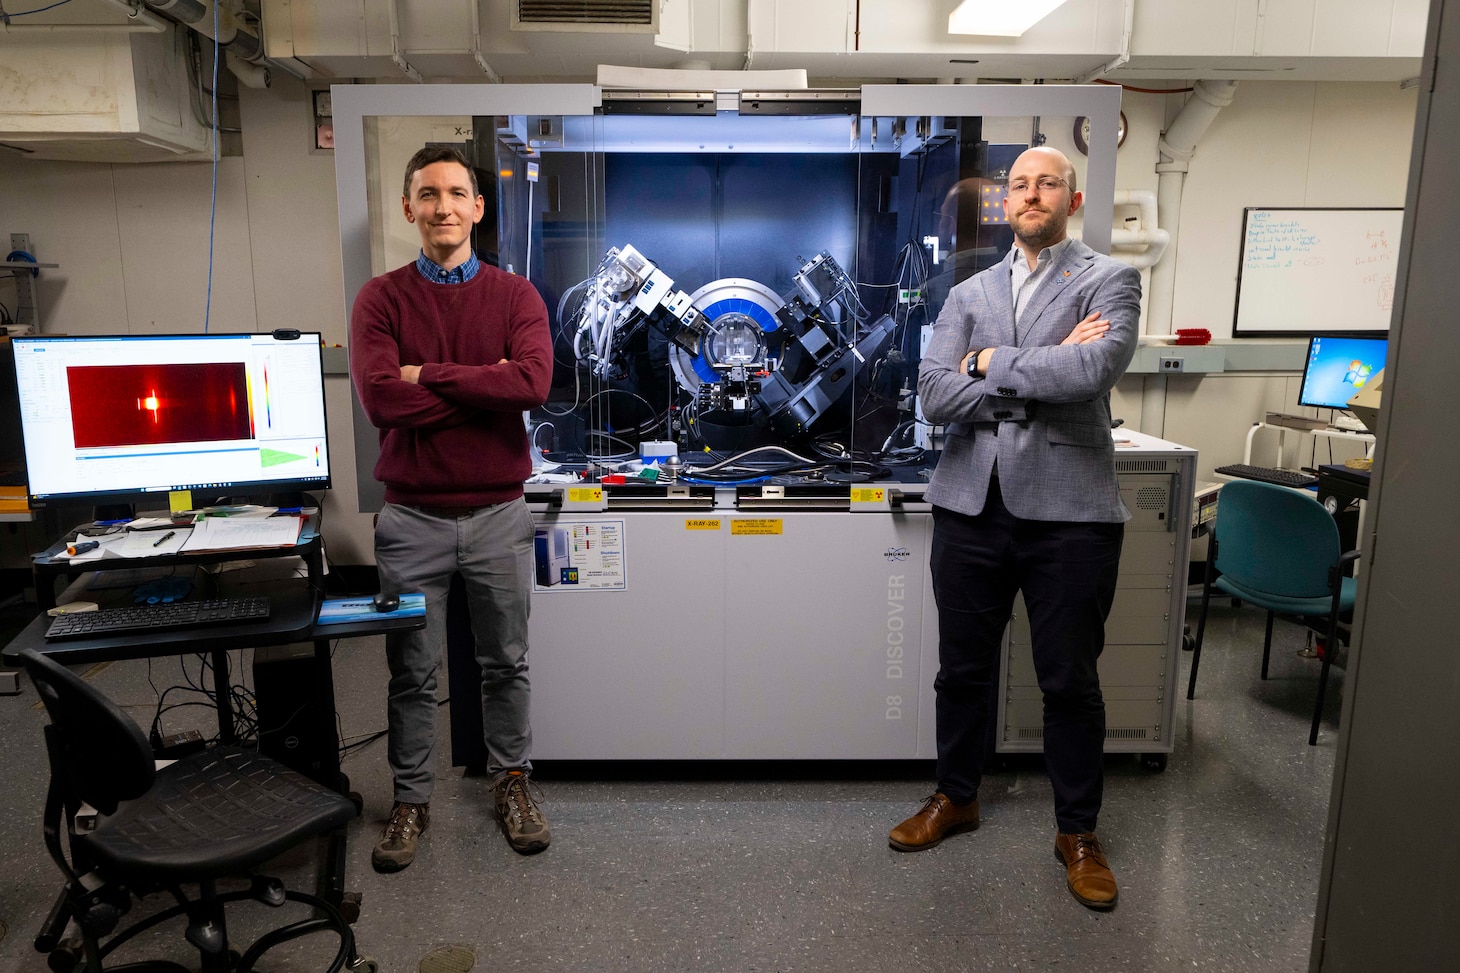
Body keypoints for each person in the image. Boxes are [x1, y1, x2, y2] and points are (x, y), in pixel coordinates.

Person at [891, 146, 1140, 910]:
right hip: (971, 506)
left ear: (1072, 197)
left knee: (1069, 679)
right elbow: (933, 394)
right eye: (1020, 185)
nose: (1031, 194)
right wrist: (1033, 368)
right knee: (961, 670)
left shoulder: (1109, 279)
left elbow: (1092, 373)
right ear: (1006, 203)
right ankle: (955, 796)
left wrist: (989, 362)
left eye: (1047, 183)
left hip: (1070, 514)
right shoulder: (966, 290)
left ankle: (1078, 832)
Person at [350, 145, 554, 870]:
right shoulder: (380, 299)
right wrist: (480, 384)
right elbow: (380, 398)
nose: (443, 206)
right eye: (428, 194)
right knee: (413, 672)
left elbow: (531, 384)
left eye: (456, 193)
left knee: (506, 662)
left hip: (499, 512)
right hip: (411, 519)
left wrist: (427, 376)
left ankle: (514, 783)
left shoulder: (516, 296)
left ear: (478, 207)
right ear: (409, 208)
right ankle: (410, 798)